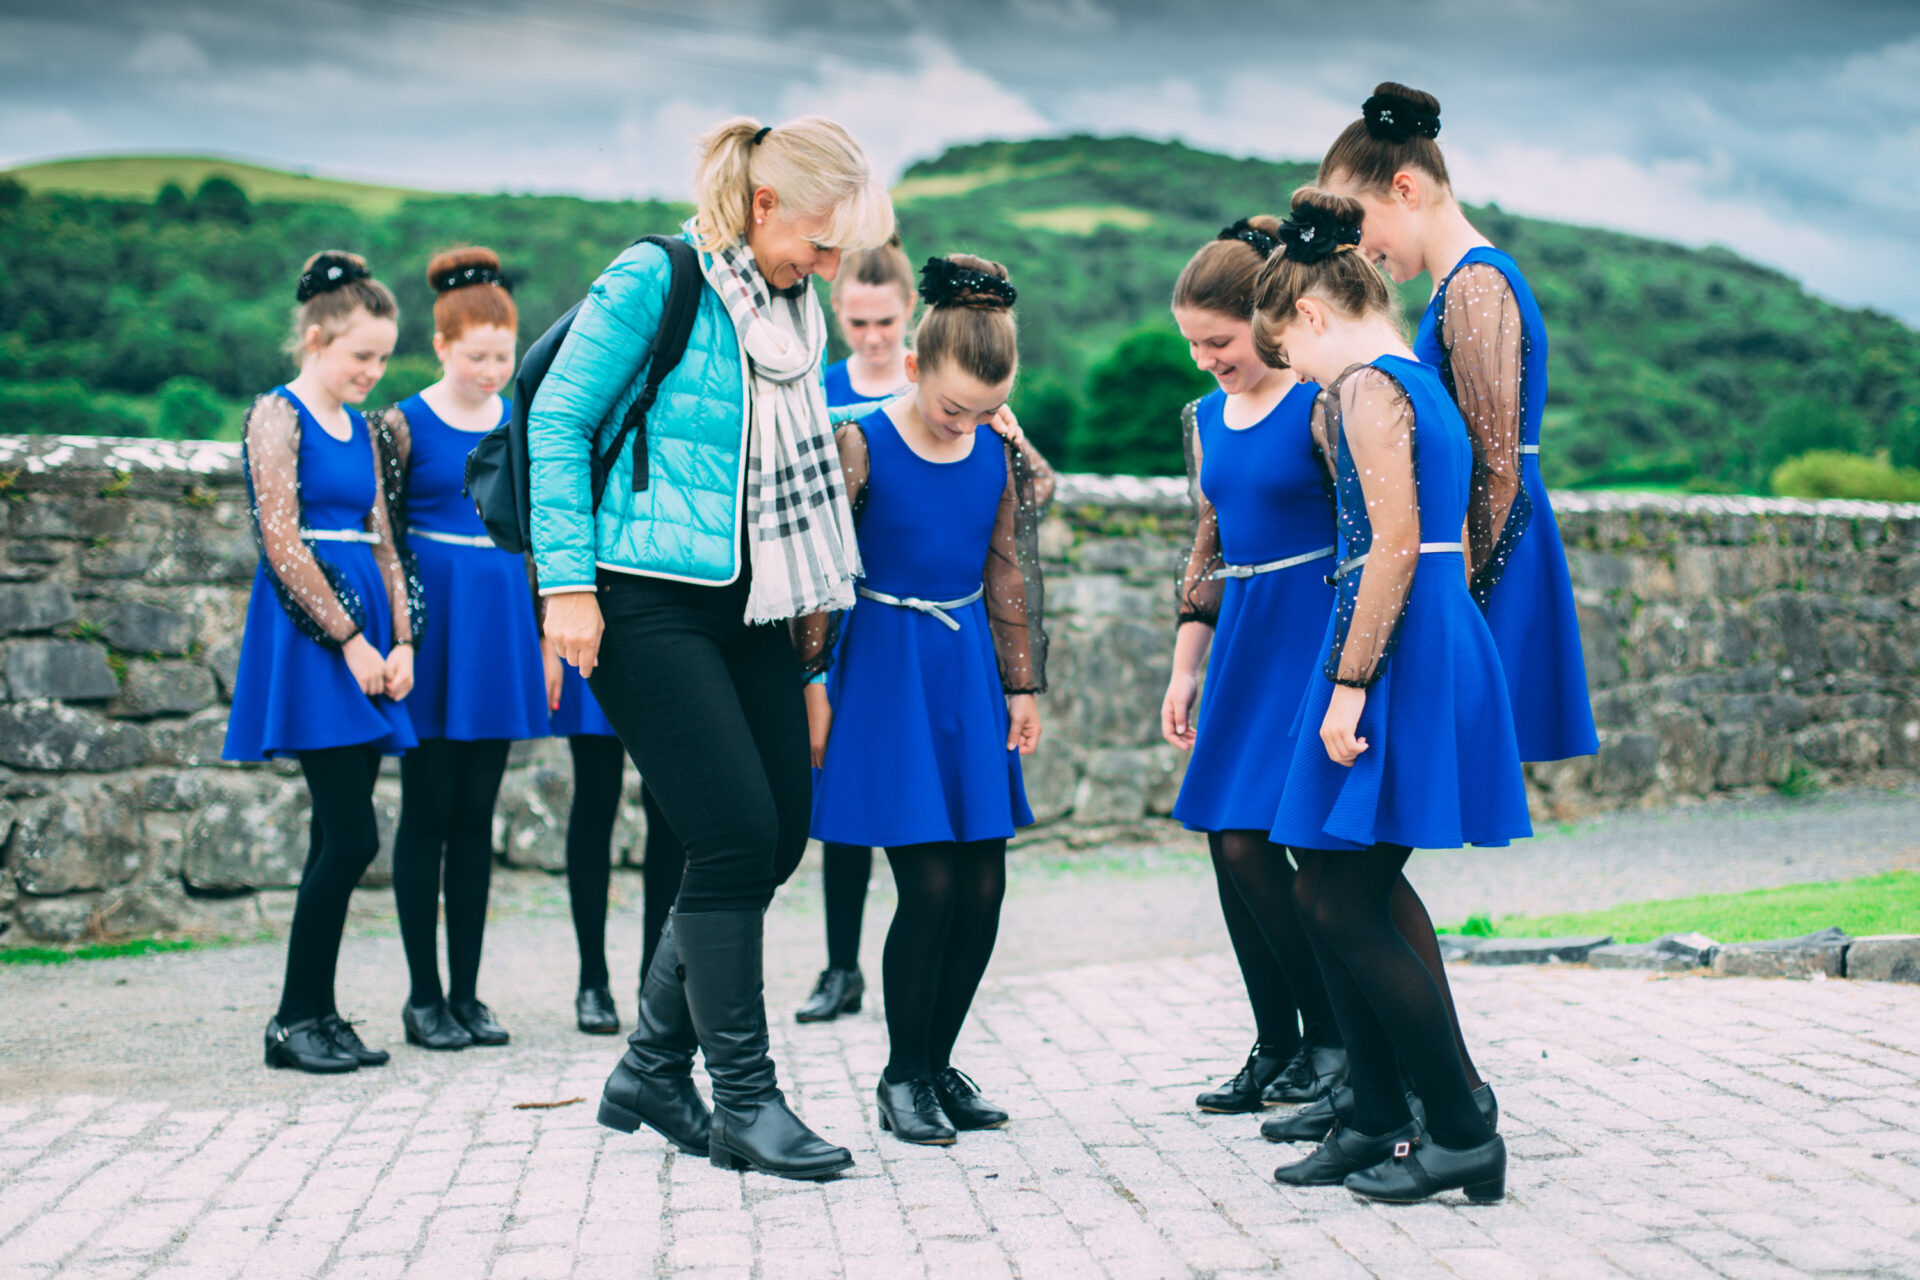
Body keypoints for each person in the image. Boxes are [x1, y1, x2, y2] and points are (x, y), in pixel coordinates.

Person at [533, 114, 893, 1181]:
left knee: (777, 833)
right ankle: (744, 1098)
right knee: (731, 832)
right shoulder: (658, 277)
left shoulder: (792, 313)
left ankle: (651, 1068)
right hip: (640, 595)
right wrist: (566, 584)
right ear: (765, 204)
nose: (826, 269)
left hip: (756, 598)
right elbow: (556, 422)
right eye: (818, 244)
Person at [1254, 189, 1528, 1203]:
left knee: (1341, 897)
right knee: (1331, 888)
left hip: (1397, 646)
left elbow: (1393, 545)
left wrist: (1349, 685)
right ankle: (1376, 1115)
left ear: (1312, 314)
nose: (1297, 372)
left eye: (1289, 350)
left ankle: (1458, 1125)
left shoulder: (1369, 385)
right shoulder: (1419, 379)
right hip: (1426, 634)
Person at [802, 254, 1050, 1146]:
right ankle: (901, 1075)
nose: (966, 424)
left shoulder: (995, 450)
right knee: (931, 883)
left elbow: (1008, 570)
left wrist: (1021, 685)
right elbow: (820, 575)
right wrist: (811, 682)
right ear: (913, 366)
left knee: (984, 884)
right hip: (884, 669)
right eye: (953, 407)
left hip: (966, 669)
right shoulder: (861, 442)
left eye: (987, 409)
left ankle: (938, 1063)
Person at [1319, 84, 1597, 764]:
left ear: (1405, 190)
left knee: (1435, 771)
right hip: (1474, 551)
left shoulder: (1476, 286)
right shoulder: (1457, 286)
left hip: (1488, 553)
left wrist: (1454, 603)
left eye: (1359, 222)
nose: (1357, 247)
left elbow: (1495, 468)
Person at [1162, 219, 1347, 1116]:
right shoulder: (1203, 419)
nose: (1206, 360)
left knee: (1278, 844)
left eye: (1219, 341)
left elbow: (1365, 530)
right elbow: (1207, 543)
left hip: (1310, 633)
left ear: (1265, 321)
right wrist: (1184, 667)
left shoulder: (1319, 403)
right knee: (1227, 843)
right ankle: (1278, 1043)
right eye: (1192, 345)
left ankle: (1333, 1041)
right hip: (1241, 636)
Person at [225, 250, 419, 1074]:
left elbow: (387, 542)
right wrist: (349, 639)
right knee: (352, 835)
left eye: (383, 358)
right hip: (314, 638)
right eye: (361, 356)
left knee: (331, 836)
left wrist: (403, 640)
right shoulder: (278, 415)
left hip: (369, 633)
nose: (374, 373)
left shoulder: (363, 429)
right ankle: (290, 1020)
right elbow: (280, 542)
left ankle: (318, 1014)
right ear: (315, 340)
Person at [371, 248, 548, 1052]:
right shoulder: (402, 425)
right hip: (435, 628)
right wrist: (398, 637)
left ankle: (469, 995)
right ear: (441, 346)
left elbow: (540, 535)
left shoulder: (520, 423)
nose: (491, 371)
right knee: (427, 811)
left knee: (477, 815)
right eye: (476, 356)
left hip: (500, 623)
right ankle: (423, 997)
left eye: (502, 357)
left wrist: (544, 636)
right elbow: (384, 537)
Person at [794, 232, 919, 1026]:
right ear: (836, 311)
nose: (872, 337)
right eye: (858, 322)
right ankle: (840, 967)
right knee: (840, 791)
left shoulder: (932, 386)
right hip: (840, 614)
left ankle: (920, 951)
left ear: (910, 312)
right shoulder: (817, 387)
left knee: (910, 786)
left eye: (886, 323)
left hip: (911, 612)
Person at [543, 635, 688, 1035]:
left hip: (665, 632)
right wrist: (546, 637)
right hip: (594, 631)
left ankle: (654, 982)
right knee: (596, 795)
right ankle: (592, 982)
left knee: (667, 806)